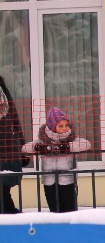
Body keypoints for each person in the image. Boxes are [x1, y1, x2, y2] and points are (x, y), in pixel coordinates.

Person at [22, 106, 93, 212]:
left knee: (69, 210)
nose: (65, 128)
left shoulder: (72, 138)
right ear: (52, 126)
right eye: (61, 126)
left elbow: (87, 144)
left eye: (66, 125)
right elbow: (25, 148)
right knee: (54, 210)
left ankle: (69, 228)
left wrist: (67, 147)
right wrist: (39, 148)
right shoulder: (43, 140)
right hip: (49, 181)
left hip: (67, 180)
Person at [0, 73, 28, 213]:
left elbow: (14, 120)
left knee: (4, 192)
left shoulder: (2, 90)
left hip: (8, 149)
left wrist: (22, 147)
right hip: (8, 149)